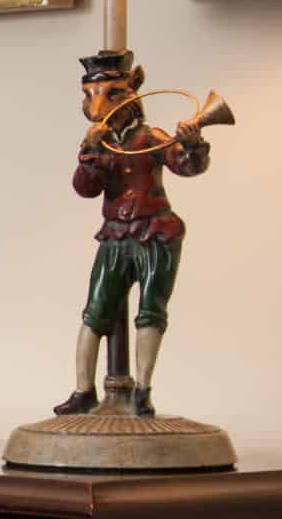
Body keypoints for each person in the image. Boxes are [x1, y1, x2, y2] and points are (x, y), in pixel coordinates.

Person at [53, 49, 209, 419]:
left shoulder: (151, 138)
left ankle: (142, 390)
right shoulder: (101, 144)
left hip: (155, 233)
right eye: (91, 95)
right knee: (95, 311)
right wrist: (90, 152)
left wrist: (191, 144)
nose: (99, 106)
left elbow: (186, 166)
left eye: (113, 94)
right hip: (115, 237)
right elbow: (85, 188)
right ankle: (84, 389)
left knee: (151, 311)